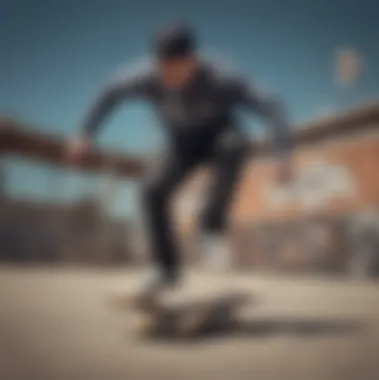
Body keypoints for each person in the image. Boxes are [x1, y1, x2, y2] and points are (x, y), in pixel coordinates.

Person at [66, 23, 293, 298]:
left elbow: (270, 103)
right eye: (163, 68)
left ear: (192, 60)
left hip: (218, 134)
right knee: (151, 191)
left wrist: (283, 152)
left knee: (234, 145)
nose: (169, 77)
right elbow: (109, 92)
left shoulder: (221, 75)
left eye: (177, 69)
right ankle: (166, 270)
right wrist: (84, 132)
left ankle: (211, 226)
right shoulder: (146, 76)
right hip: (181, 143)